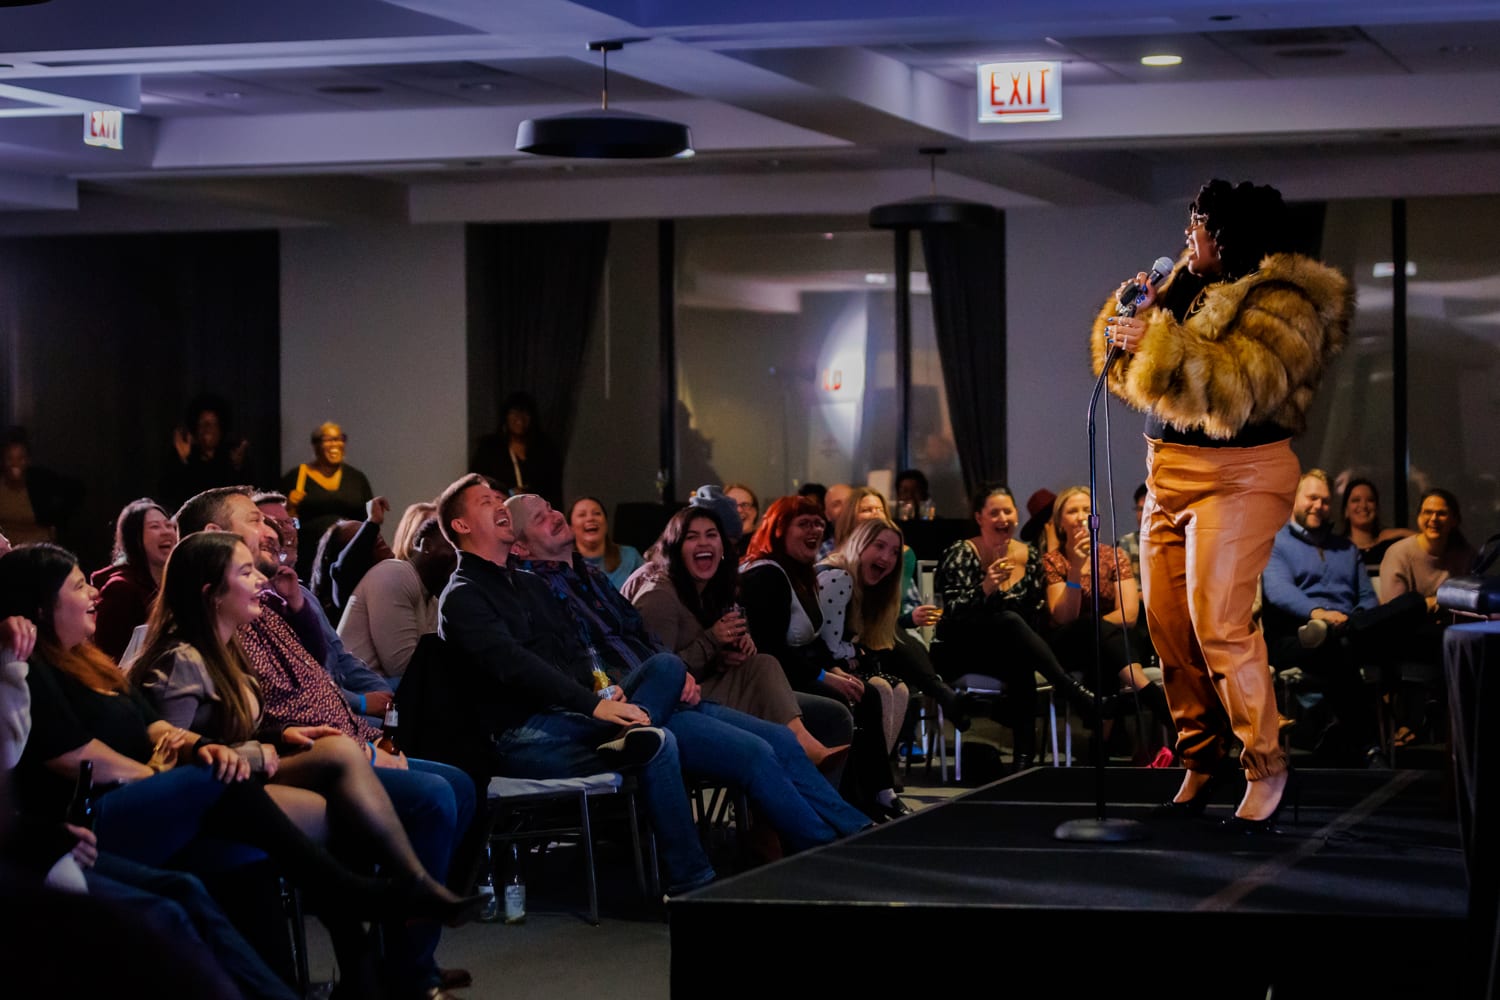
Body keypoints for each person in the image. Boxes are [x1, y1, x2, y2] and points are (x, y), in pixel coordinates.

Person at [0, 543, 464, 926]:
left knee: (339, 754)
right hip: (120, 808)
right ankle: (365, 903)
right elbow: (77, 754)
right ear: (40, 606)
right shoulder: (42, 667)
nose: (94, 592)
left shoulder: (95, 664)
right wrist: (192, 764)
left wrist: (272, 738)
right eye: (79, 586)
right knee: (315, 796)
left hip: (197, 782)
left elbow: (158, 728)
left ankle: (393, 900)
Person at [1095, 178, 1353, 829]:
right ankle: (1201, 758)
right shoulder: (1183, 287)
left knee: (1219, 623)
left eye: (1200, 224)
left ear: (1229, 234)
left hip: (1240, 477)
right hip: (1166, 474)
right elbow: (1136, 383)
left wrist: (1154, 340)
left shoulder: (1283, 303)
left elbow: (1237, 387)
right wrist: (1131, 322)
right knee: (1169, 629)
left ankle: (1266, 765)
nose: (1189, 235)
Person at [175, 486, 477, 999]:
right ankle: (406, 969)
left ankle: (402, 957)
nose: (272, 530)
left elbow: (320, 676)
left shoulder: (266, 601)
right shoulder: (217, 620)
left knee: (461, 786)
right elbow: (254, 716)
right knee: (434, 796)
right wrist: (359, 744)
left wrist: (368, 736)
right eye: (256, 520)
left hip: (332, 741)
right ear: (214, 536)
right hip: (295, 762)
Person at [128, 531, 475, 920]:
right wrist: (256, 750)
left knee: (340, 753)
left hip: (246, 770)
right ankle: (402, 888)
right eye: (245, 573)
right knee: (347, 772)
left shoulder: (227, 648)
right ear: (212, 594)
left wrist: (279, 734)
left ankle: (397, 896)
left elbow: (238, 725)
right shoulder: (182, 661)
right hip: (217, 788)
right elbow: (172, 756)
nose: (260, 580)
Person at [506, 492, 872, 850]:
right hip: (630, 705)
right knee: (756, 752)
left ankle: (859, 830)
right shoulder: (533, 589)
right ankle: (827, 848)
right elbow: (581, 663)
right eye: (540, 517)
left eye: (551, 507)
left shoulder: (593, 577)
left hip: (670, 689)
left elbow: (644, 638)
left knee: (780, 739)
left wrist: (685, 674)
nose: (555, 515)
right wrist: (685, 664)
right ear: (520, 546)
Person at [620, 504, 847, 766]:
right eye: (692, 537)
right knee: (820, 717)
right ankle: (799, 750)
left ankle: (803, 745)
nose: (703, 543)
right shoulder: (659, 595)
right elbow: (657, 675)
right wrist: (712, 640)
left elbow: (708, 657)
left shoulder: (714, 588)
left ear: (723, 548)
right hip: (675, 707)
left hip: (710, 686)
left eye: (711, 535)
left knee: (764, 664)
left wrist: (726, 655)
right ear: (676, 549)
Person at [739, 496, 907, 819]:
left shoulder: (798, 575)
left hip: (791, 671)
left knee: (866, 691)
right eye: (804, 523)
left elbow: (812, 642)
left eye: (818, 523)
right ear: (778, 529)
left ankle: (874, 794)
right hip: (764, 683)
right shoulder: (766, 574)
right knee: (841, 705)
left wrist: (832, 669)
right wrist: (823, 676)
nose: (815, 530)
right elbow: (771, 648)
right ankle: (838, 806)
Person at [1262, 470, 1428, 765]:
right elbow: (1279, 592)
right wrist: (1319, 614)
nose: (1319, 506)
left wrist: (1350, 620)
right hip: (1297, 636)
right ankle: (1370, 746)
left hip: (1345, 629)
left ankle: (1360, 742)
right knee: (1336, 646)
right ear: (1293, 500)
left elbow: (1367, 597)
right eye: (1312, 498)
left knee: (1412, 604)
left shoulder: (1347, 549)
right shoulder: (1274, 544)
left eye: (1325, 501)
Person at [934, 485, 1105, 770]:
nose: (1002, 518)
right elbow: (950, 613)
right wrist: (986, 587)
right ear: (979, 517)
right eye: (994, 513)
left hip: (1006, 652)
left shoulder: (1031, 556)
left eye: (1007, 511)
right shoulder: (962, 552)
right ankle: (1071, 691)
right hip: (962, 649)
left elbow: (1035, 614)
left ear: (1016, 515)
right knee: (1010, 623)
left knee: (1021, 653)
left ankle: (1023, 762)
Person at [1044, 486, 1174, 754]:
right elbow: (1064, 617)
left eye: (1086, 510)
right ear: (1060, 522)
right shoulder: (1053, 560)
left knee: (1102, 644)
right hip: (1069, 644)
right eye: (1072, 511)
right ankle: (1152, 696)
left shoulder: (1112, 555)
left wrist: (1097, 628)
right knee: (1087, 626)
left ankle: (1100, 742)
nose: (1081, 517)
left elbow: (1129, 614)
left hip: (1107, 646)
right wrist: (1076, 567)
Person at [815, 518, 910, 753]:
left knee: (899, 689)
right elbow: (829, 646)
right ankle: (875, 772)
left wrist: (856, 652)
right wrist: (856, 651)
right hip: (816, 667)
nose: (886, 558)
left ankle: (879, 770)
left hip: (835, 664)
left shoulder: (863, 585)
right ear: (859, 544)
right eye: (879, 546)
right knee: (881, 689)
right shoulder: (838, 577)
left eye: (894, 552)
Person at [339, 512, 457, 682]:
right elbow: (403, 667)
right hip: (360, 691)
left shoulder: (432, 601)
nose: (461, 556)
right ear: (427, 545)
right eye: (454, 546)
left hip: (386, 688)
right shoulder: (394, 574)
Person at [281, 422, 374, 580]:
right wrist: (290, 507)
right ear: (316, 445)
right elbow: (284, 523)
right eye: (328, 439)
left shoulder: (356, 479)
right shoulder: (296, 478)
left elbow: (367, 519)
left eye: (339, 439)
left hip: (349, 559)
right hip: (309, 561)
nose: (335, 444)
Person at [91, 498, 178, 663]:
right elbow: (107, 655)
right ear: (135, 538)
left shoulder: (177, 582)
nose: (167, 532)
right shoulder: (120, 589)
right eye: (155, 527)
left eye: (168, 525)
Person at [1379, 488, 1477, 611]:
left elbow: (1473, 603)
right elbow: (1393, 611)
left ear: (1454, 520)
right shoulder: (1398, 554)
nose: (1434, 518)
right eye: (1428, 512)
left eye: (1441, 514)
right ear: (1419, 517)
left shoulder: (1466, 555)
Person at [469, 391, 562, 505]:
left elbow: (554, 490)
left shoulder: (546, 450)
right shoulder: (489, 448)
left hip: (537, 511)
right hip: (499, 509)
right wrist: (509, 493)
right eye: (514, 413)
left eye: (525, 413)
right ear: (505, 417)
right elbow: (477, 485)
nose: (520, 418)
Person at [160, 395, 250, 513]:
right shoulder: (188, 460)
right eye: (202, 424)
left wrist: (236, 468)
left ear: (221, 429)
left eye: (212, 423)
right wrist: (183, 461)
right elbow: (171, 495)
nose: (207, 429)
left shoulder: (231, 459)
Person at [0, 427, 82, 547]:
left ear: (28, 460)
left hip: (37, 550)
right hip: (5, 551)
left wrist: (58, 522)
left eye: (21, 458)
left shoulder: (40, 481)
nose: (15, 464)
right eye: (9, 458)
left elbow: (77, 489)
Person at [1340, 478, 1413, 581]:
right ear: (1346, 511)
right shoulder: (1339, 549)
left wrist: (1401, 532)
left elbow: (1427, 542)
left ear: (1377, 508)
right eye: (1356, 500)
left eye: (1370, 500)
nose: (1363, 505)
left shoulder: (1390, 548)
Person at [568, 496, 643, 591]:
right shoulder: (563, 565)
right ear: (571, 528)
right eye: (582, 515)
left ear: (606, 523)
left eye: (597, 513)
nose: (590, 518)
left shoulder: (630, 556)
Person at [724, 482, 761, 552]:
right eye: (732, 505)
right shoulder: (714, 547)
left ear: (755, 512)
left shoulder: (766, 548)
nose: (739, 510)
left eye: (745, 505)